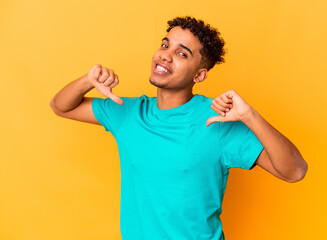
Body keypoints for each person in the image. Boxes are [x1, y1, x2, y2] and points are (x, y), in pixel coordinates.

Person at [50, 16, 308, 240]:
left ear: (199, 75)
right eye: (165, 44)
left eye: (182, 53)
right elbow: (61, 106)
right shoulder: (127, 112)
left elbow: (294, 171)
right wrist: (88, 80)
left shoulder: (217, 120)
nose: (165, 54)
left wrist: (250, 116)